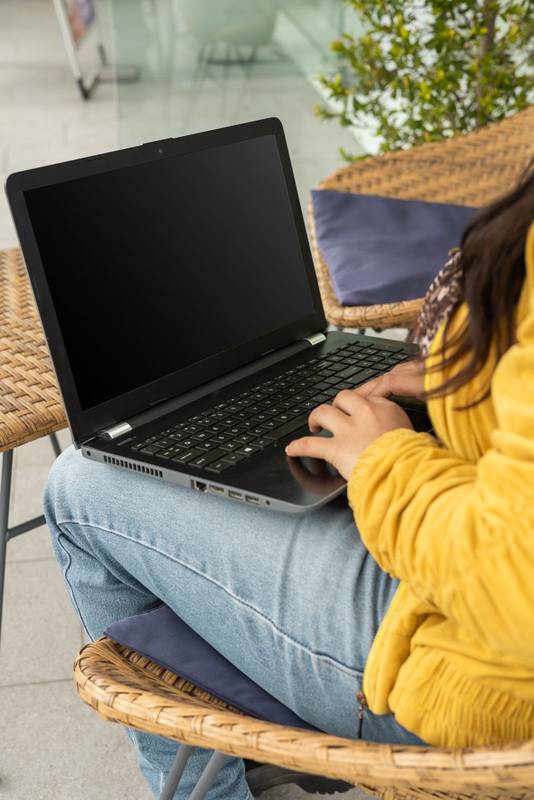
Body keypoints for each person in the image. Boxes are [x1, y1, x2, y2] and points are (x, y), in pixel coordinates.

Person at [44, 163, 534, 799]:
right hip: (472, 606)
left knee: (80, 482)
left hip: (465, 670)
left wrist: (386, 459)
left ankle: (220, 779)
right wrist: (472, 388)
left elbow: (514, 585)